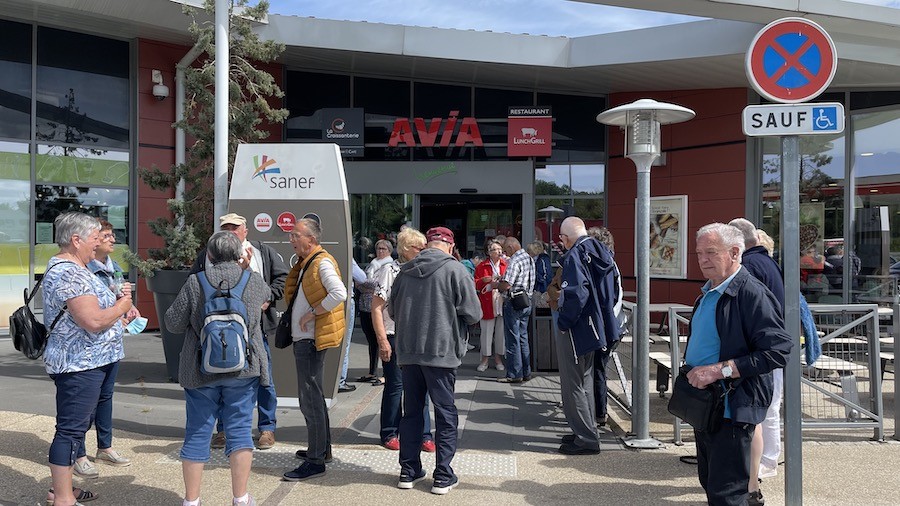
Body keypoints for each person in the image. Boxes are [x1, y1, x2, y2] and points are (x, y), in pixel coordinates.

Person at [686, 223, 792, 506]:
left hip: (733, 407)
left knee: (728, 493)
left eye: (711, 252)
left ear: (735, 252)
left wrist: (717, 371)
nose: (703, 260)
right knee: (711, 483)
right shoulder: (710, 290)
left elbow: (777, 351)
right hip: (708, 406)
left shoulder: (750, 293)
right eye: (699, 253)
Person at [165, 231, 270, 506]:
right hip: (243, 369)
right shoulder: (253, 281)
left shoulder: (194, 282)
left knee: (198, 431)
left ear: (209, 255)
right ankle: (240, 498)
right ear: (240, 254)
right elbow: (268, 297)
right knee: (240, 430)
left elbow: (173, 323)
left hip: (201, 369)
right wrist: (247, 268)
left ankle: (192, 500)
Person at [43, 213, 133, 506]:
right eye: (95, 237)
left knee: (75, 428)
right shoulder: (69, 272)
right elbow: (92, 321)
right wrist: (122, 306)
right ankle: (64, 498)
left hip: (91, 360)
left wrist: (118, 306)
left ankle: (63, 489)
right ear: (76, 239)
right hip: (80, 364)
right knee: (70, 431)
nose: (99, 243)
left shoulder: (79, 268)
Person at [389, 226, 481, 495]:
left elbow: (393, 311)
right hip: (441, 353)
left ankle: (408, 470)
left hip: (409, 352)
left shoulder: (404, 271)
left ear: (428, 245)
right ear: (450, 247)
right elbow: (473, 313)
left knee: (412, 413)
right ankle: (443, 475)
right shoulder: (455, 270)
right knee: (445, 413)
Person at [192, 213, 288, 451]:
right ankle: (223, 430)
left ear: (245, 231)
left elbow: (281, 280)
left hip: (255, 331)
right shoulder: (207, 255)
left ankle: (267, 428)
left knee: (265, 379)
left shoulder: (262, 252)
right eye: (226, 228)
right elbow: (193, 282)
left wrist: (266, 301)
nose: (231, 232)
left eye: (235, 228)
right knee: (222, 378)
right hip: (220, 332)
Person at [282, 218, 347, 482]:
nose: (291, 239)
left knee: (310, 399)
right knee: (314, 397)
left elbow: (338, 292)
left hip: (310, 341)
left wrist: (312, 314)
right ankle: (321, 449)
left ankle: (316, 460)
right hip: (308, 340)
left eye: (296, 235)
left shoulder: (321, 262)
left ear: (311, 238)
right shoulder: (311, 261)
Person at [73, 220, 139, 475]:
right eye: (107, 235)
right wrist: (116, 310)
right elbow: (88, 311)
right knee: (84, 404)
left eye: (113, 235)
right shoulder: (81, 270)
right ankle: (77, 454)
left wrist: (129, 308)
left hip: (111, 344)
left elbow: (121, 301)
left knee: (105, 397)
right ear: (94, 239)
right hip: (88, 349)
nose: (113, 240)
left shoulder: (115, 268)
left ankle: (105, 446)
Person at [730, 218, 786, 506]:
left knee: (760, 413)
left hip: (758, 353)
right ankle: (766, 462)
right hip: (768, 349)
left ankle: (762, 466)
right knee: (769, 409)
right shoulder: (768, 262)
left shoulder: (750, 267)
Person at [555, 217, 621, 455]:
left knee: (573, 384)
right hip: (597, 326)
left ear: (566, 238)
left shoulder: (575, 255)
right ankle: (586, 430)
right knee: (585, 381)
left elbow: (576, 294)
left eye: (561, 239)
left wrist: (564, 322)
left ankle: (585, 437)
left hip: (578, 328)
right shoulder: (601, 251)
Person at [371, 227, 436, 452]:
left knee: (421, 387)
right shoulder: (391, 270)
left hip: (418, 338)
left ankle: (424, 434)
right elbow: (377, 308)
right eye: (421, 247)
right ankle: (389, 431)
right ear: (407, 249)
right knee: (395, 386)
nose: (425, 251)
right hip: (395, 334)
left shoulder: (423, 270)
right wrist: (382, 341)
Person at [586, 226, 625, 428]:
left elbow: (603, 300)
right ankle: (598, 413)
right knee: (598, 370)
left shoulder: (601, 265)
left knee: (596, 371)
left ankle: (598, 413)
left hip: (603, 327)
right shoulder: (611, 263)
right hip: (612, 326)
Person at [498, 236, 535, 383]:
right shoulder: (529, 258)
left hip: (514, 302)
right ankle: (526, 372)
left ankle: (514, 374)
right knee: (523, 338)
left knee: (512, 338)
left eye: (507, 250)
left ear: (512, 247)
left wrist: (497, 284)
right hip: (526, 301)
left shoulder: (515, 260)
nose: (506, 253)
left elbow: (507, 284)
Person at [357, 238, 393, 385]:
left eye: (383, 249)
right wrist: (365, 284)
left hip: (379, 309)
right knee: (371, 342)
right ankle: (372, 372)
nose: (380, 251)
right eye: (378, 248)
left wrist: (364, 283)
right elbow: (359, 285)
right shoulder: (372, 265)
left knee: (381, 341)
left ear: (389, 251)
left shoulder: (389, 266)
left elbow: (376, 284)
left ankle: (386, 374)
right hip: (365, 307)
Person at [474, 239, 507, 372]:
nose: (498, 252)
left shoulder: (506, 264)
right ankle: (485, 360)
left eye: (500, 249)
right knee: (486, 333)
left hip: (501, 301)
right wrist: (483, 280)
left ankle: (498, 359)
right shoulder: (482, 266)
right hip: (487, 302)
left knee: (501, 333)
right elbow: (474, 283)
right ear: (489, 252)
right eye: (495, 249)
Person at [337, 258, 367, 393]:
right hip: (345, 300)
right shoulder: (348, 257)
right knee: (345, 343)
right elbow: (362, 278)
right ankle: (340, 381)